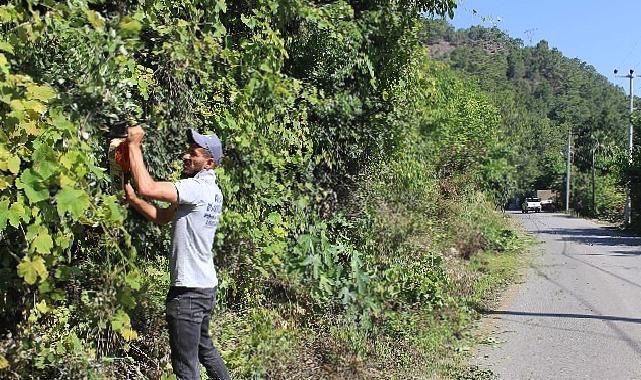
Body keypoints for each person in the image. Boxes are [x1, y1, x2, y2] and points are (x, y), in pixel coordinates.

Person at [124, 125, 230, 380]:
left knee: (185, 368)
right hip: (205, 288)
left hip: (188, 293)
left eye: (193, 153)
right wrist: (134, 201)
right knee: (205, 350)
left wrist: (134, 144)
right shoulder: (213, 192)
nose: (185, 156)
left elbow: (147, 187)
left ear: (209, 163)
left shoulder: (195, 189)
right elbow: (162, 217)